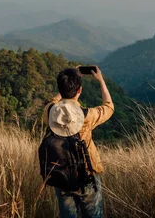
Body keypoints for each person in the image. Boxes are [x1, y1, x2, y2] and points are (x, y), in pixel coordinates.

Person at [42, 65, 114, 218]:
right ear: (79, 90)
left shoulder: (49, 111)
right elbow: (109, 107)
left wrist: (64, 86)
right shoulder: (86, 116)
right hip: (86, 174)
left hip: (60, 173)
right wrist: (101, 80)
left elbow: (54, 101)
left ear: (60, 90)